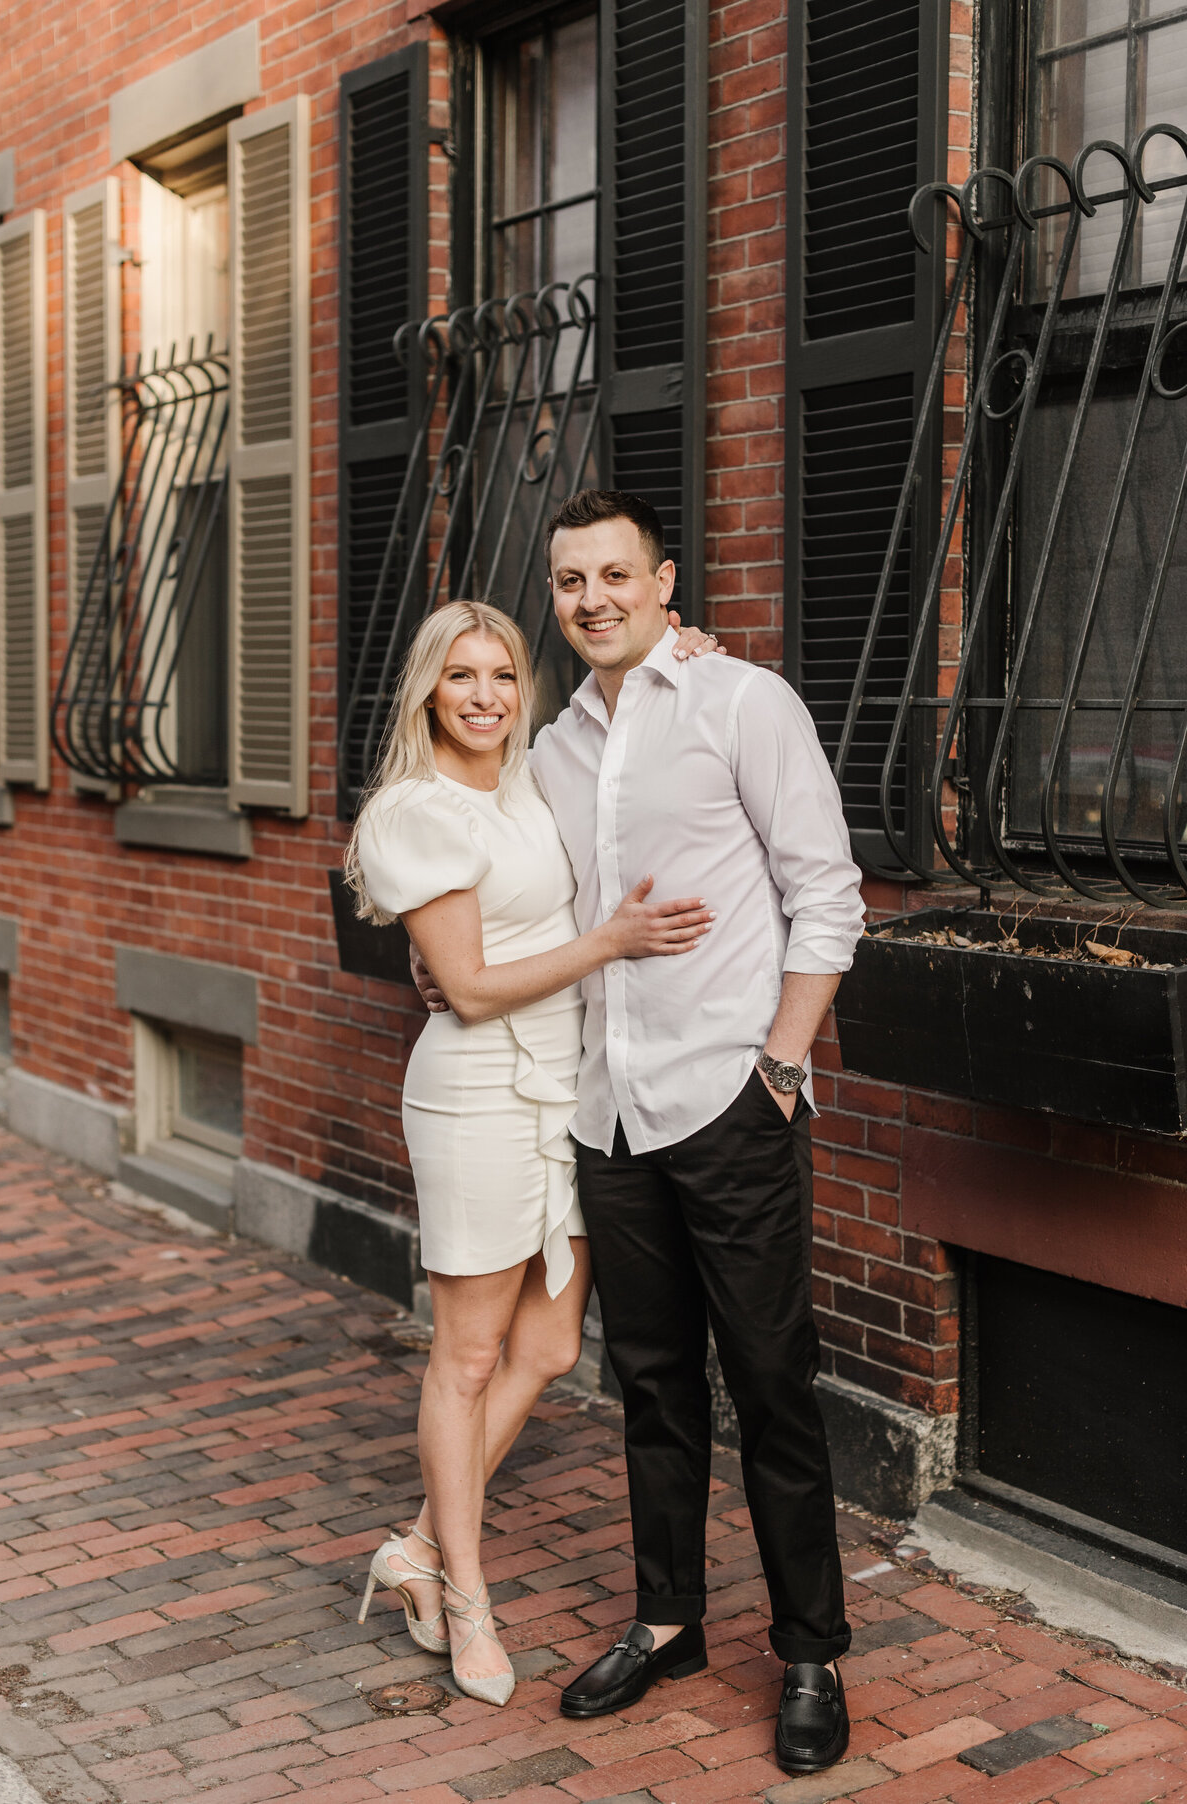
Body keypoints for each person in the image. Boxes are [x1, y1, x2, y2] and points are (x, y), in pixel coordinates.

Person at [418, 490, 865, 1773]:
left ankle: (809, 1649)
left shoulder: (744, 702)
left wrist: (781, 1065)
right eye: (570, 582)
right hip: (606, 1114)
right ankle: (668, 1618)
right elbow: (488, 872)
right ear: (554, 598)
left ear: (665, 583)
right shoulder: (550, 748)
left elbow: (823, 892)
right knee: (652, 1385)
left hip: (729, 1096)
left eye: (617, 574)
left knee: (772, 1383)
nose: (593, 599)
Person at [343, 598, 717, 1707]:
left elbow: (627, 703)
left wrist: (678, 646)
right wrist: (607, 943)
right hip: (476, 1097)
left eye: (502, 673)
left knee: (551, 1345)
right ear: (428, 690)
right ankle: (466, 1597)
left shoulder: (529, 775)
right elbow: (460, 987)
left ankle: (414, 1545)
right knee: (465, 1356)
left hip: (566, 1087)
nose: (485, 695)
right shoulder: (414, 812)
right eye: (461, 676)